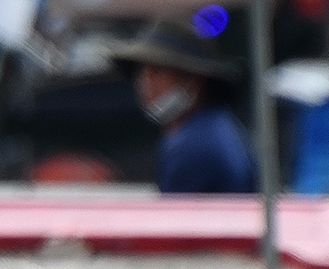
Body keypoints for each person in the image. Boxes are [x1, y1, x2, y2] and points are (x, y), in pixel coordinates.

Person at [104, 21, 257, 195]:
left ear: (192, 80)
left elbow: (172, 219)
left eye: (156, 72)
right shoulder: (214, 127)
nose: (145, 84)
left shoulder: (194, 145)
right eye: (142, 72)